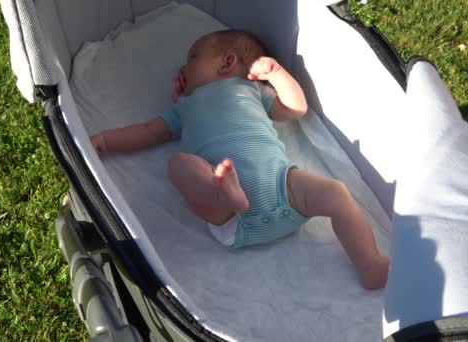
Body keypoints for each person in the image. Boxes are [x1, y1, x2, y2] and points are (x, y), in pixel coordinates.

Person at [90, 29, 389, 289]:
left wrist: (276, 74)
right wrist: (105, 141)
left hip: (283, 190)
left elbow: (295, 109)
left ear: (227, 62)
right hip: (229, 218)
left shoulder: (252, 90)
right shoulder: (184, 108)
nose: (183, 66)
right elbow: (145, 132)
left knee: (335, 192)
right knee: (180, 165)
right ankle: (221, 192)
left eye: (191, 58)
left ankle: (368, 263)